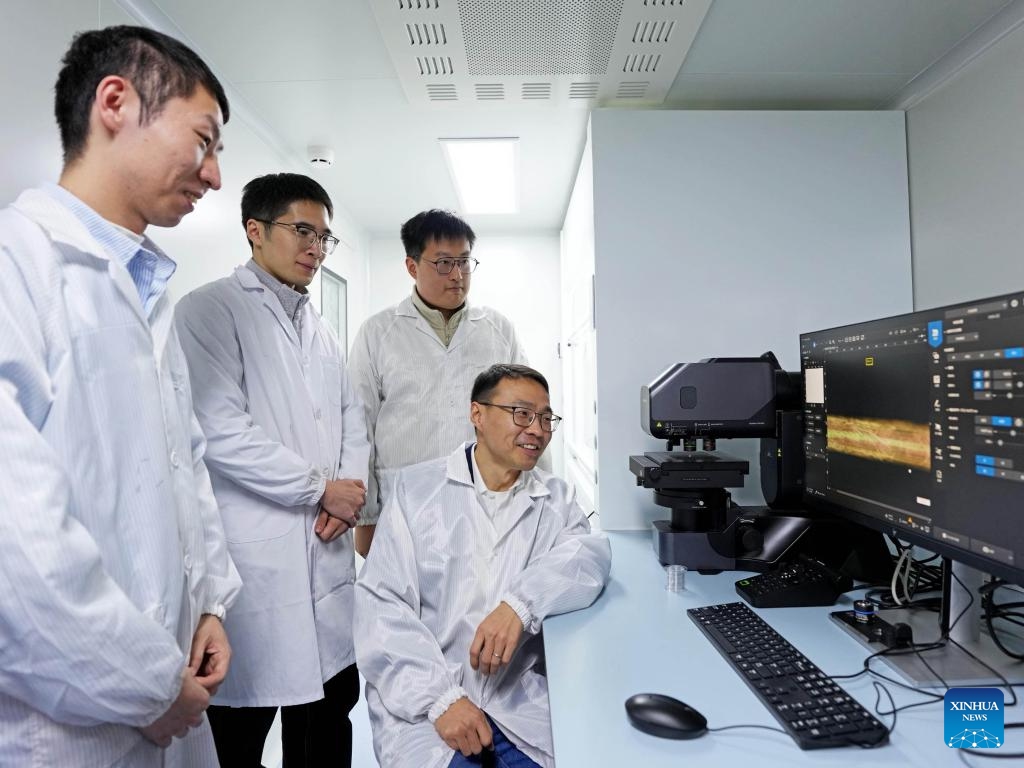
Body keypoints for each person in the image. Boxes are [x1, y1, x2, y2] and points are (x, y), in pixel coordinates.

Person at [0, 25, 241, 767]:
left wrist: (209, 603)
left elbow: (182, 463)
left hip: (170, 686)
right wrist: (147, 686)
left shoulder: (143, 285)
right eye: (203, 140)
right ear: (116, 102)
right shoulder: (19, 267)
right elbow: (18, 548)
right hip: (70, 725)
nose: (214, 175)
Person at [174, 172, 371, 767]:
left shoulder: (324, 330)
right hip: (256, 562)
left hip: (326, 551)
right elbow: (220, 429)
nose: (315, 247)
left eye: (324, 236)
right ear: (255, 231)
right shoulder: (209, 310)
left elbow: (352, 418)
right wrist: (319, 490)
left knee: (327, 722)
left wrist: (350, 494)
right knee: (239, 734)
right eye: (302, 230)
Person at [354, 363, 612, 768]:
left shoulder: (555, 499)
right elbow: (382, 608)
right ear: (477, 414)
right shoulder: (417, 491)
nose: (538, 430)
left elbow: (588, 557)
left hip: (517, 701)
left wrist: (519, 606)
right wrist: (442, 701)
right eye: (522, 414)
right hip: (429, 704)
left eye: (546, 418)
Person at [348, 209, 528, 557]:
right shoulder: (378, 333)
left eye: (464, 261)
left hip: (488, 502)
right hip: (403, 505)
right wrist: (366, 517)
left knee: (485, 598)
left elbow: (528, 414)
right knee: (407, 604)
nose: (458, 275)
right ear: (412, 267)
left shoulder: (497, 329)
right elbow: (359, 427)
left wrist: (538, 495)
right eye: (444, 263)